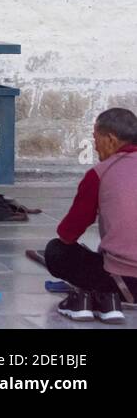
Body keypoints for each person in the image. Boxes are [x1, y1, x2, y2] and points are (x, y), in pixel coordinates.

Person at [45, 108, 137, 324]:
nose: (95, 146)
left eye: (96, 139)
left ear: (111, 139)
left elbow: (67, 234)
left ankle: (103, 296)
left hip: (123, 282)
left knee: (57, 250)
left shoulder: (100, 173)